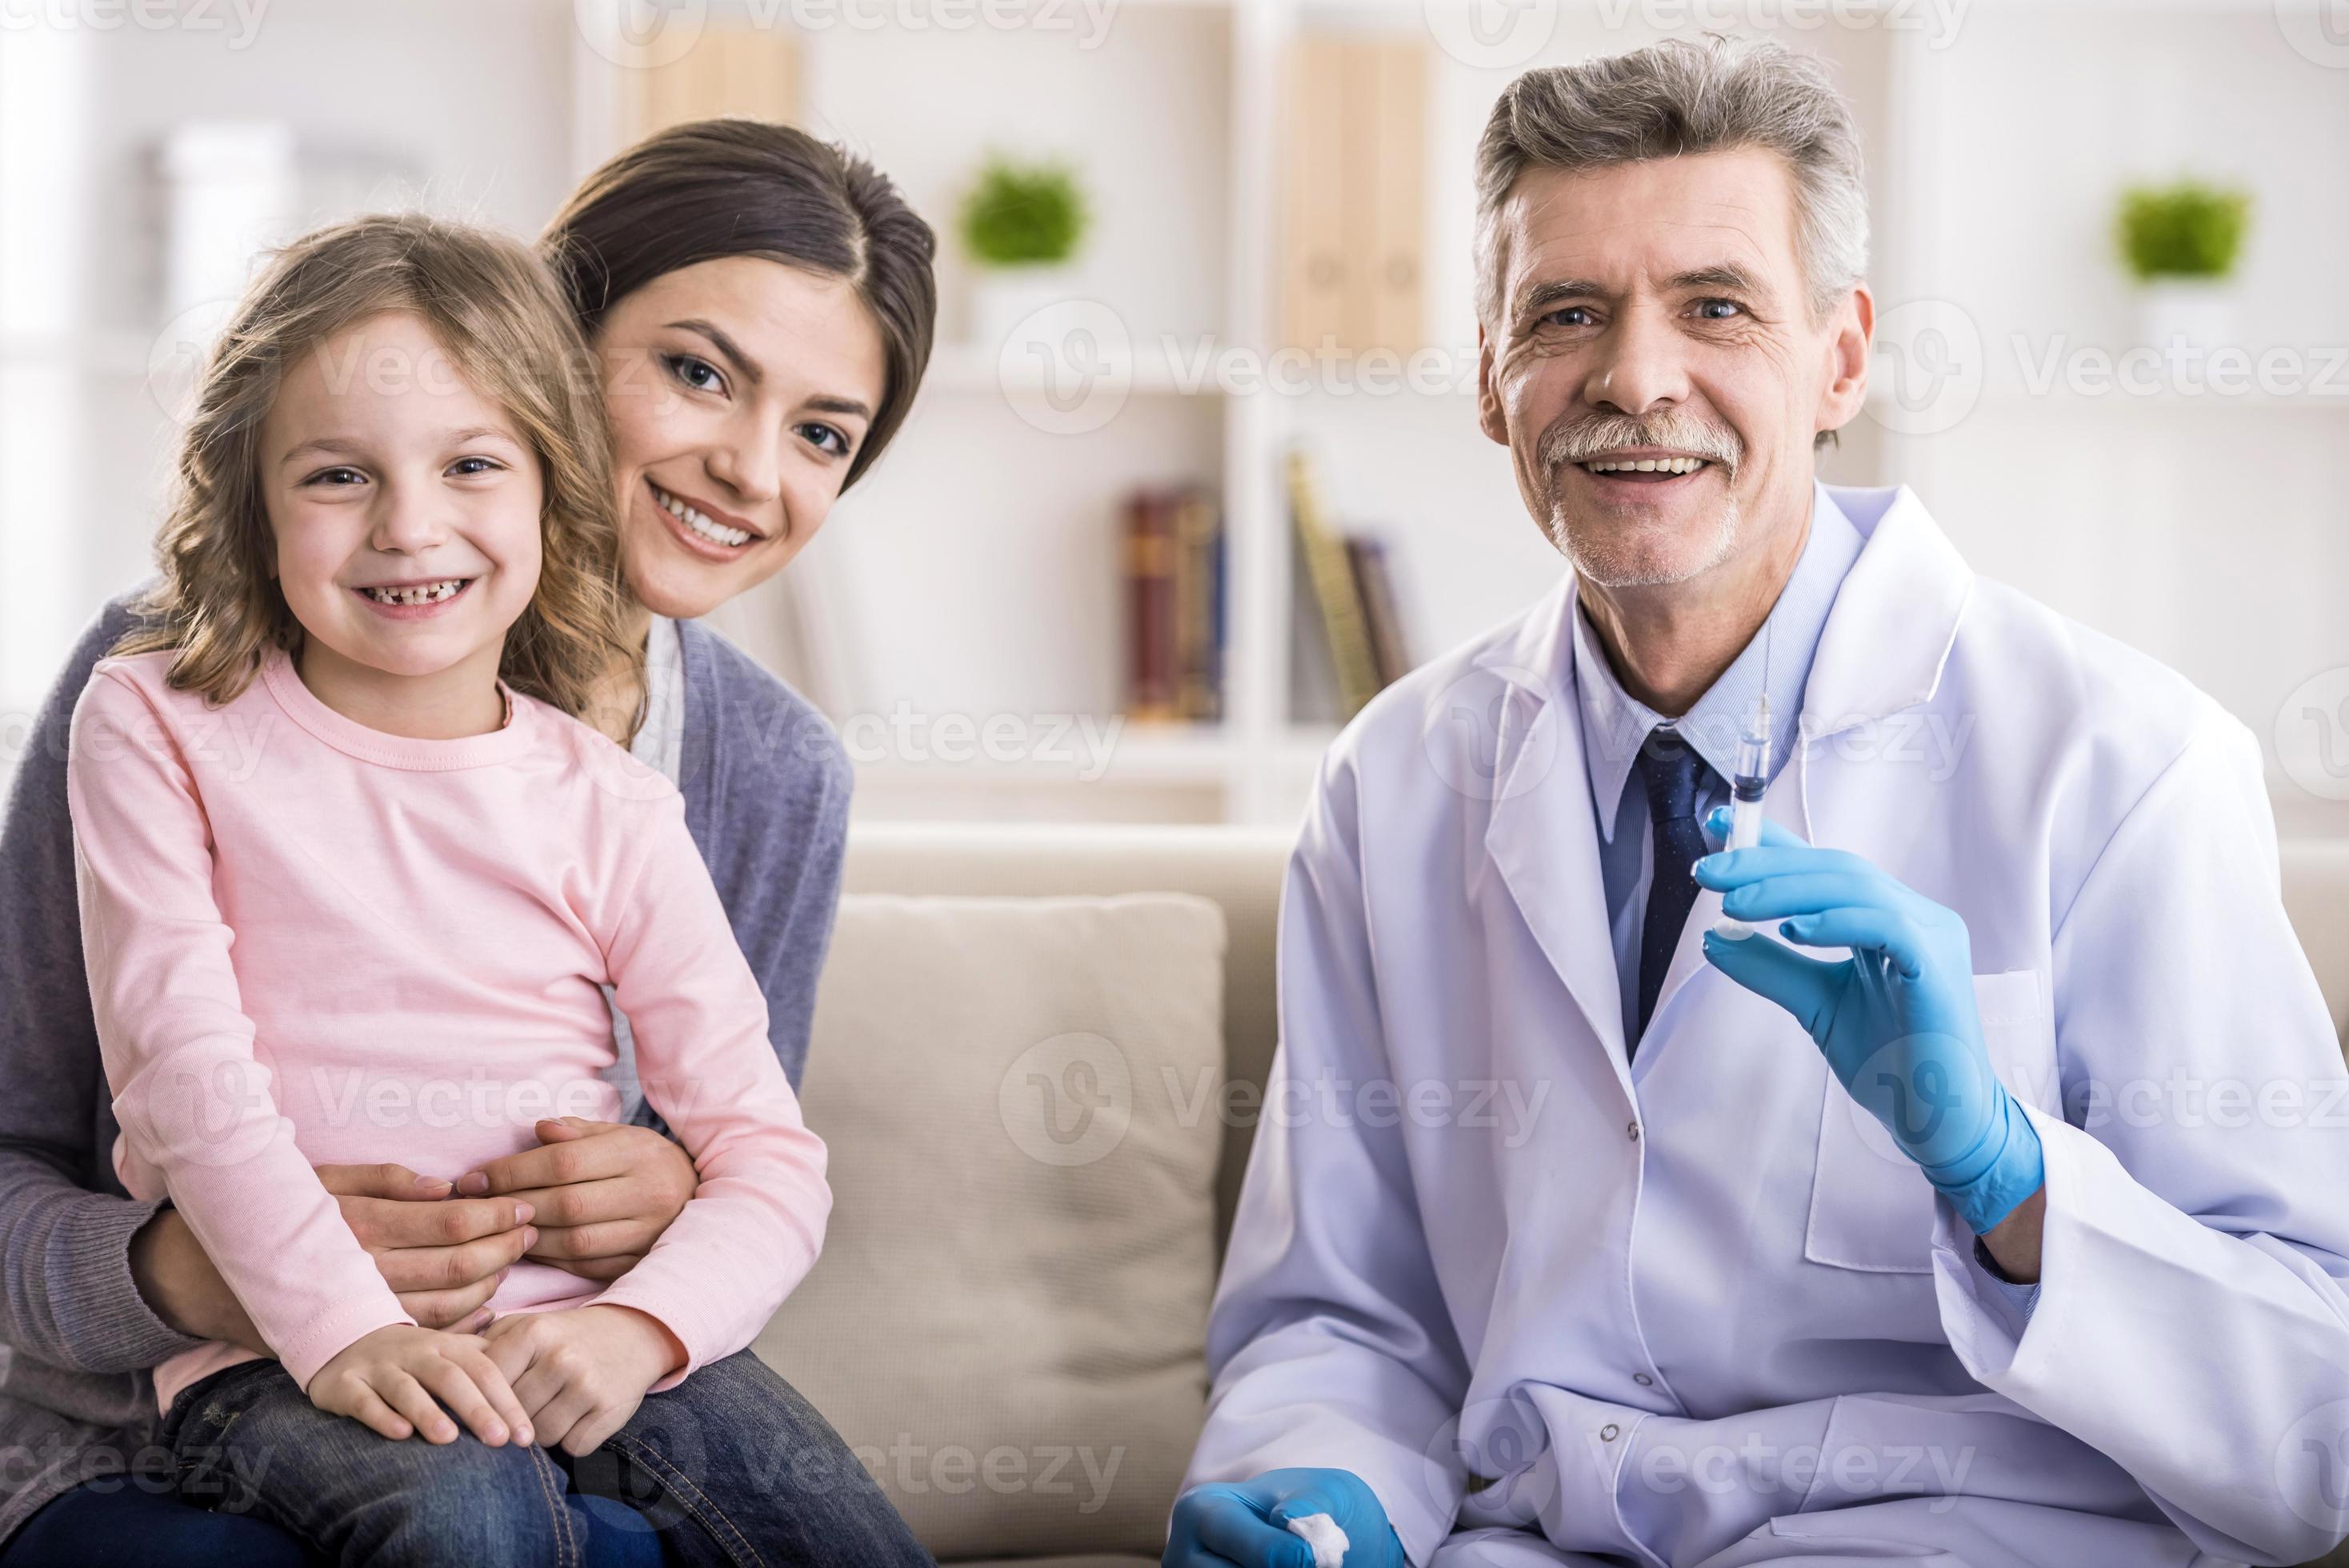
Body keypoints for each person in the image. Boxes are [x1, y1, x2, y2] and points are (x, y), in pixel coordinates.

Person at [1165, 36, 2349, 1568]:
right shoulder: (1396, 781)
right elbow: (1347, 1305)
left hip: (1962, 1535)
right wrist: (1321, 1486)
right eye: (1565, 314)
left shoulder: (2120, 761)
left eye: (1716, 307)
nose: (1636, 379)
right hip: (1539, 1533)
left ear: (1841, 357)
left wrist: (2003, 1173)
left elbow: (2316, 1415)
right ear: (1487, 378)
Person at [0, 120, 938, 1563]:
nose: (751, 469)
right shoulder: (164, 691)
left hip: (559, 1384)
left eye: (822, 432)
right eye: (697, 371)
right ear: (544, 343)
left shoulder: (756, 776)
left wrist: (666, 1201)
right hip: (164, 1419)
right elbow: (44, 1136)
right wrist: (189, 1275)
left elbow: (749, 1154)